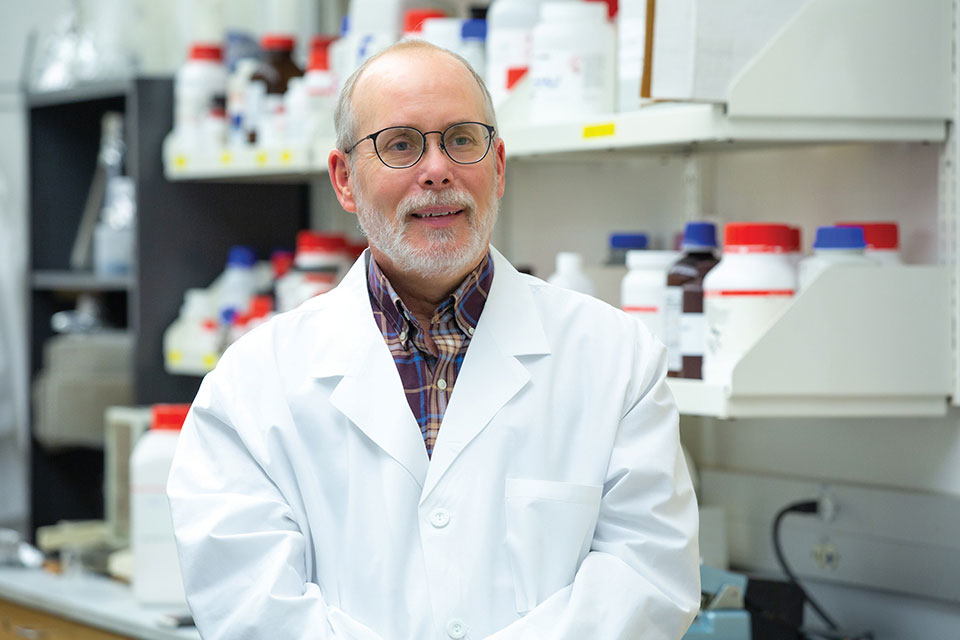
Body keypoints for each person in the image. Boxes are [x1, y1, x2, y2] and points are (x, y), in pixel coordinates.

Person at [167, 39, 700, 640]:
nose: (438, 169)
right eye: (400, 145)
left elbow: (646, 577)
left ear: (497, 168)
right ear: (344, 180)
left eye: (462, 139)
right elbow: (249, 605)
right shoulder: (249, 387)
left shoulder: (617, 359)